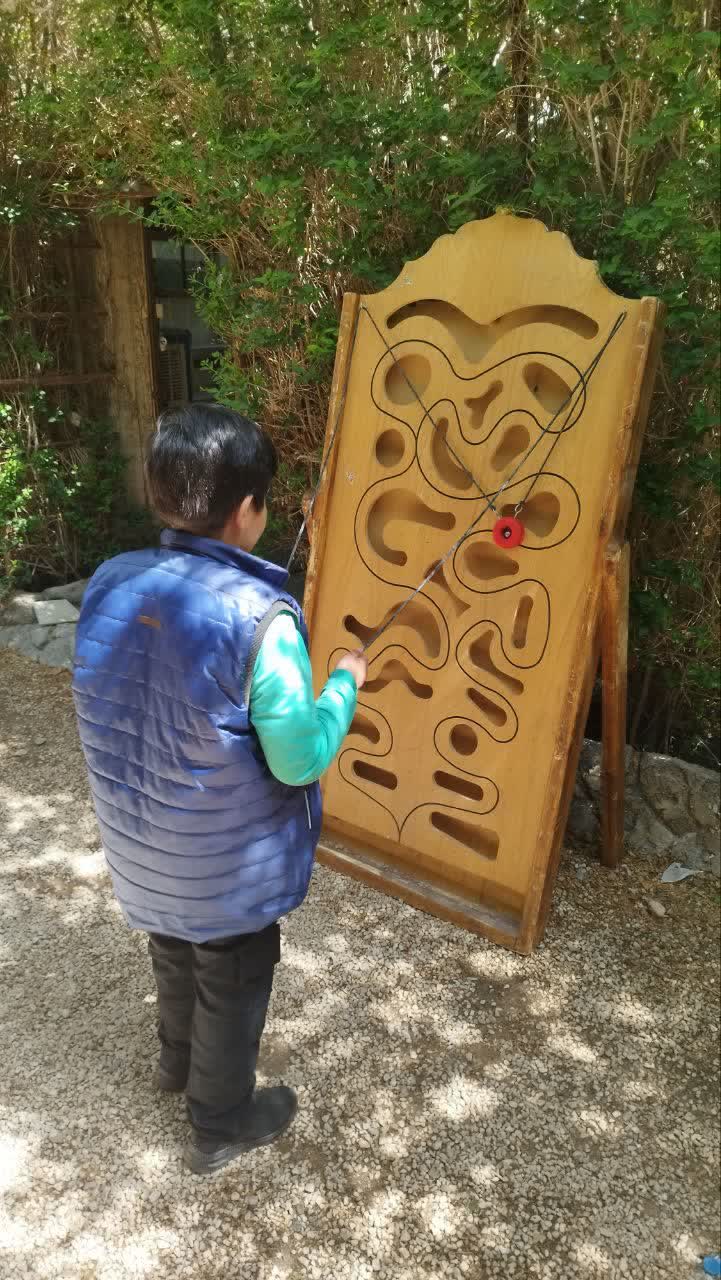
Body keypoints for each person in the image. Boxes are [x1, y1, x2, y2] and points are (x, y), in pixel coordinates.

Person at [72, 404, 367, 1175]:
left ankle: (176, 1062)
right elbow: (299, 759)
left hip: (142, 843)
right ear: (247, 511)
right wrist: (344, 684)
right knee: (232, 976)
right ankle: (220, 1120)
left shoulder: (110, 580)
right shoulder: (260, 618)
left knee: (173, 947)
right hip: (226, 869)